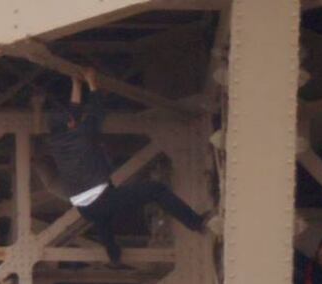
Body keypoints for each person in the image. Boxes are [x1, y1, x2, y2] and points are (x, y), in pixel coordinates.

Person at [43, 67, 206, 265]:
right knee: (156, 190)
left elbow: (75, 113)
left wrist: (76, 84)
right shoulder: (82, 135)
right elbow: (97, 110)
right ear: (70, 125)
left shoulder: (56, 142)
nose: (73, 119)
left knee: (103, 220)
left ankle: (114, 254)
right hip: (101, 197)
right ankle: (196, 223)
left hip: (83, 207)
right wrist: (92, 82)